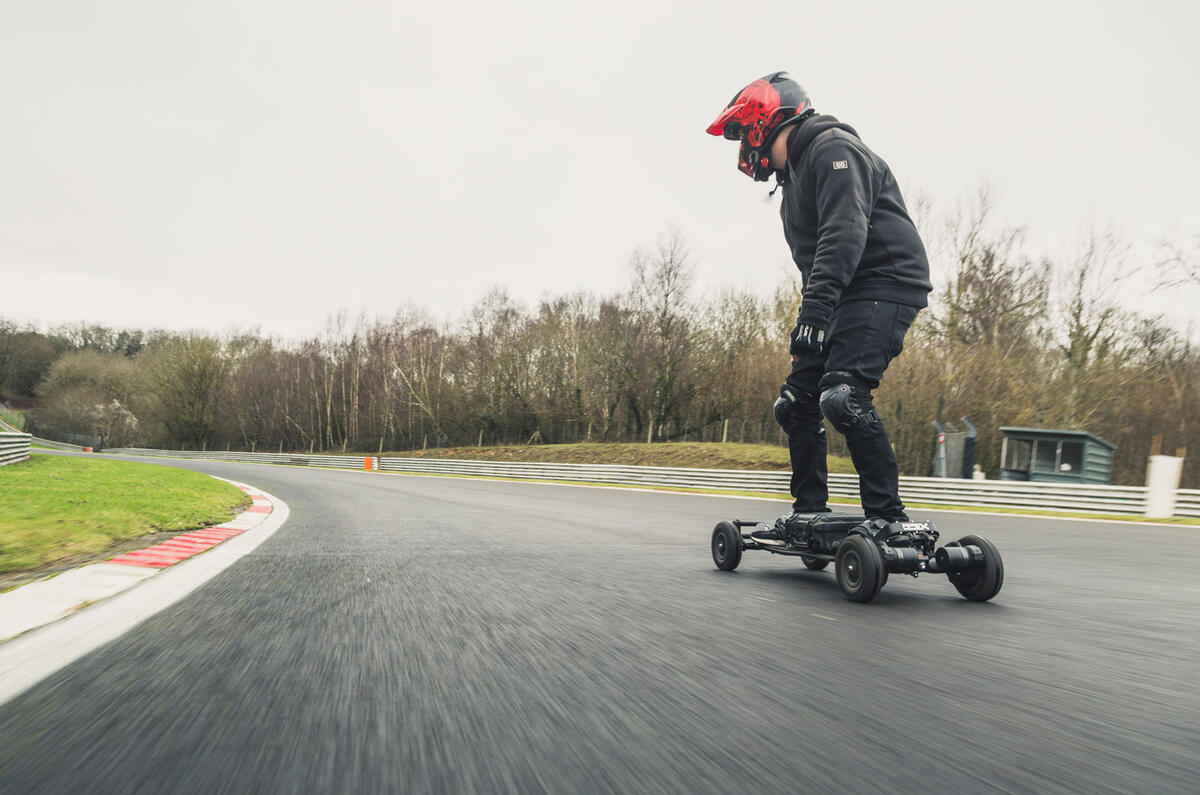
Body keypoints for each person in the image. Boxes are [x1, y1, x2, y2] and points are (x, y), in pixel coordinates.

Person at [706, 72, 932, 537]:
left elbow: (844, 234)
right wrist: (808, 328)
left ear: (763, 123)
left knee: (843, 395)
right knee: (795, 403)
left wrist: (814, 315)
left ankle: (888, 520)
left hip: (885, 281)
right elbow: (816, 266)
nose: (743, 152)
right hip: (843, 294)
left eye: (742, 137)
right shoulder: (792, 185)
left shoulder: (833, 150)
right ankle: (811, 514)